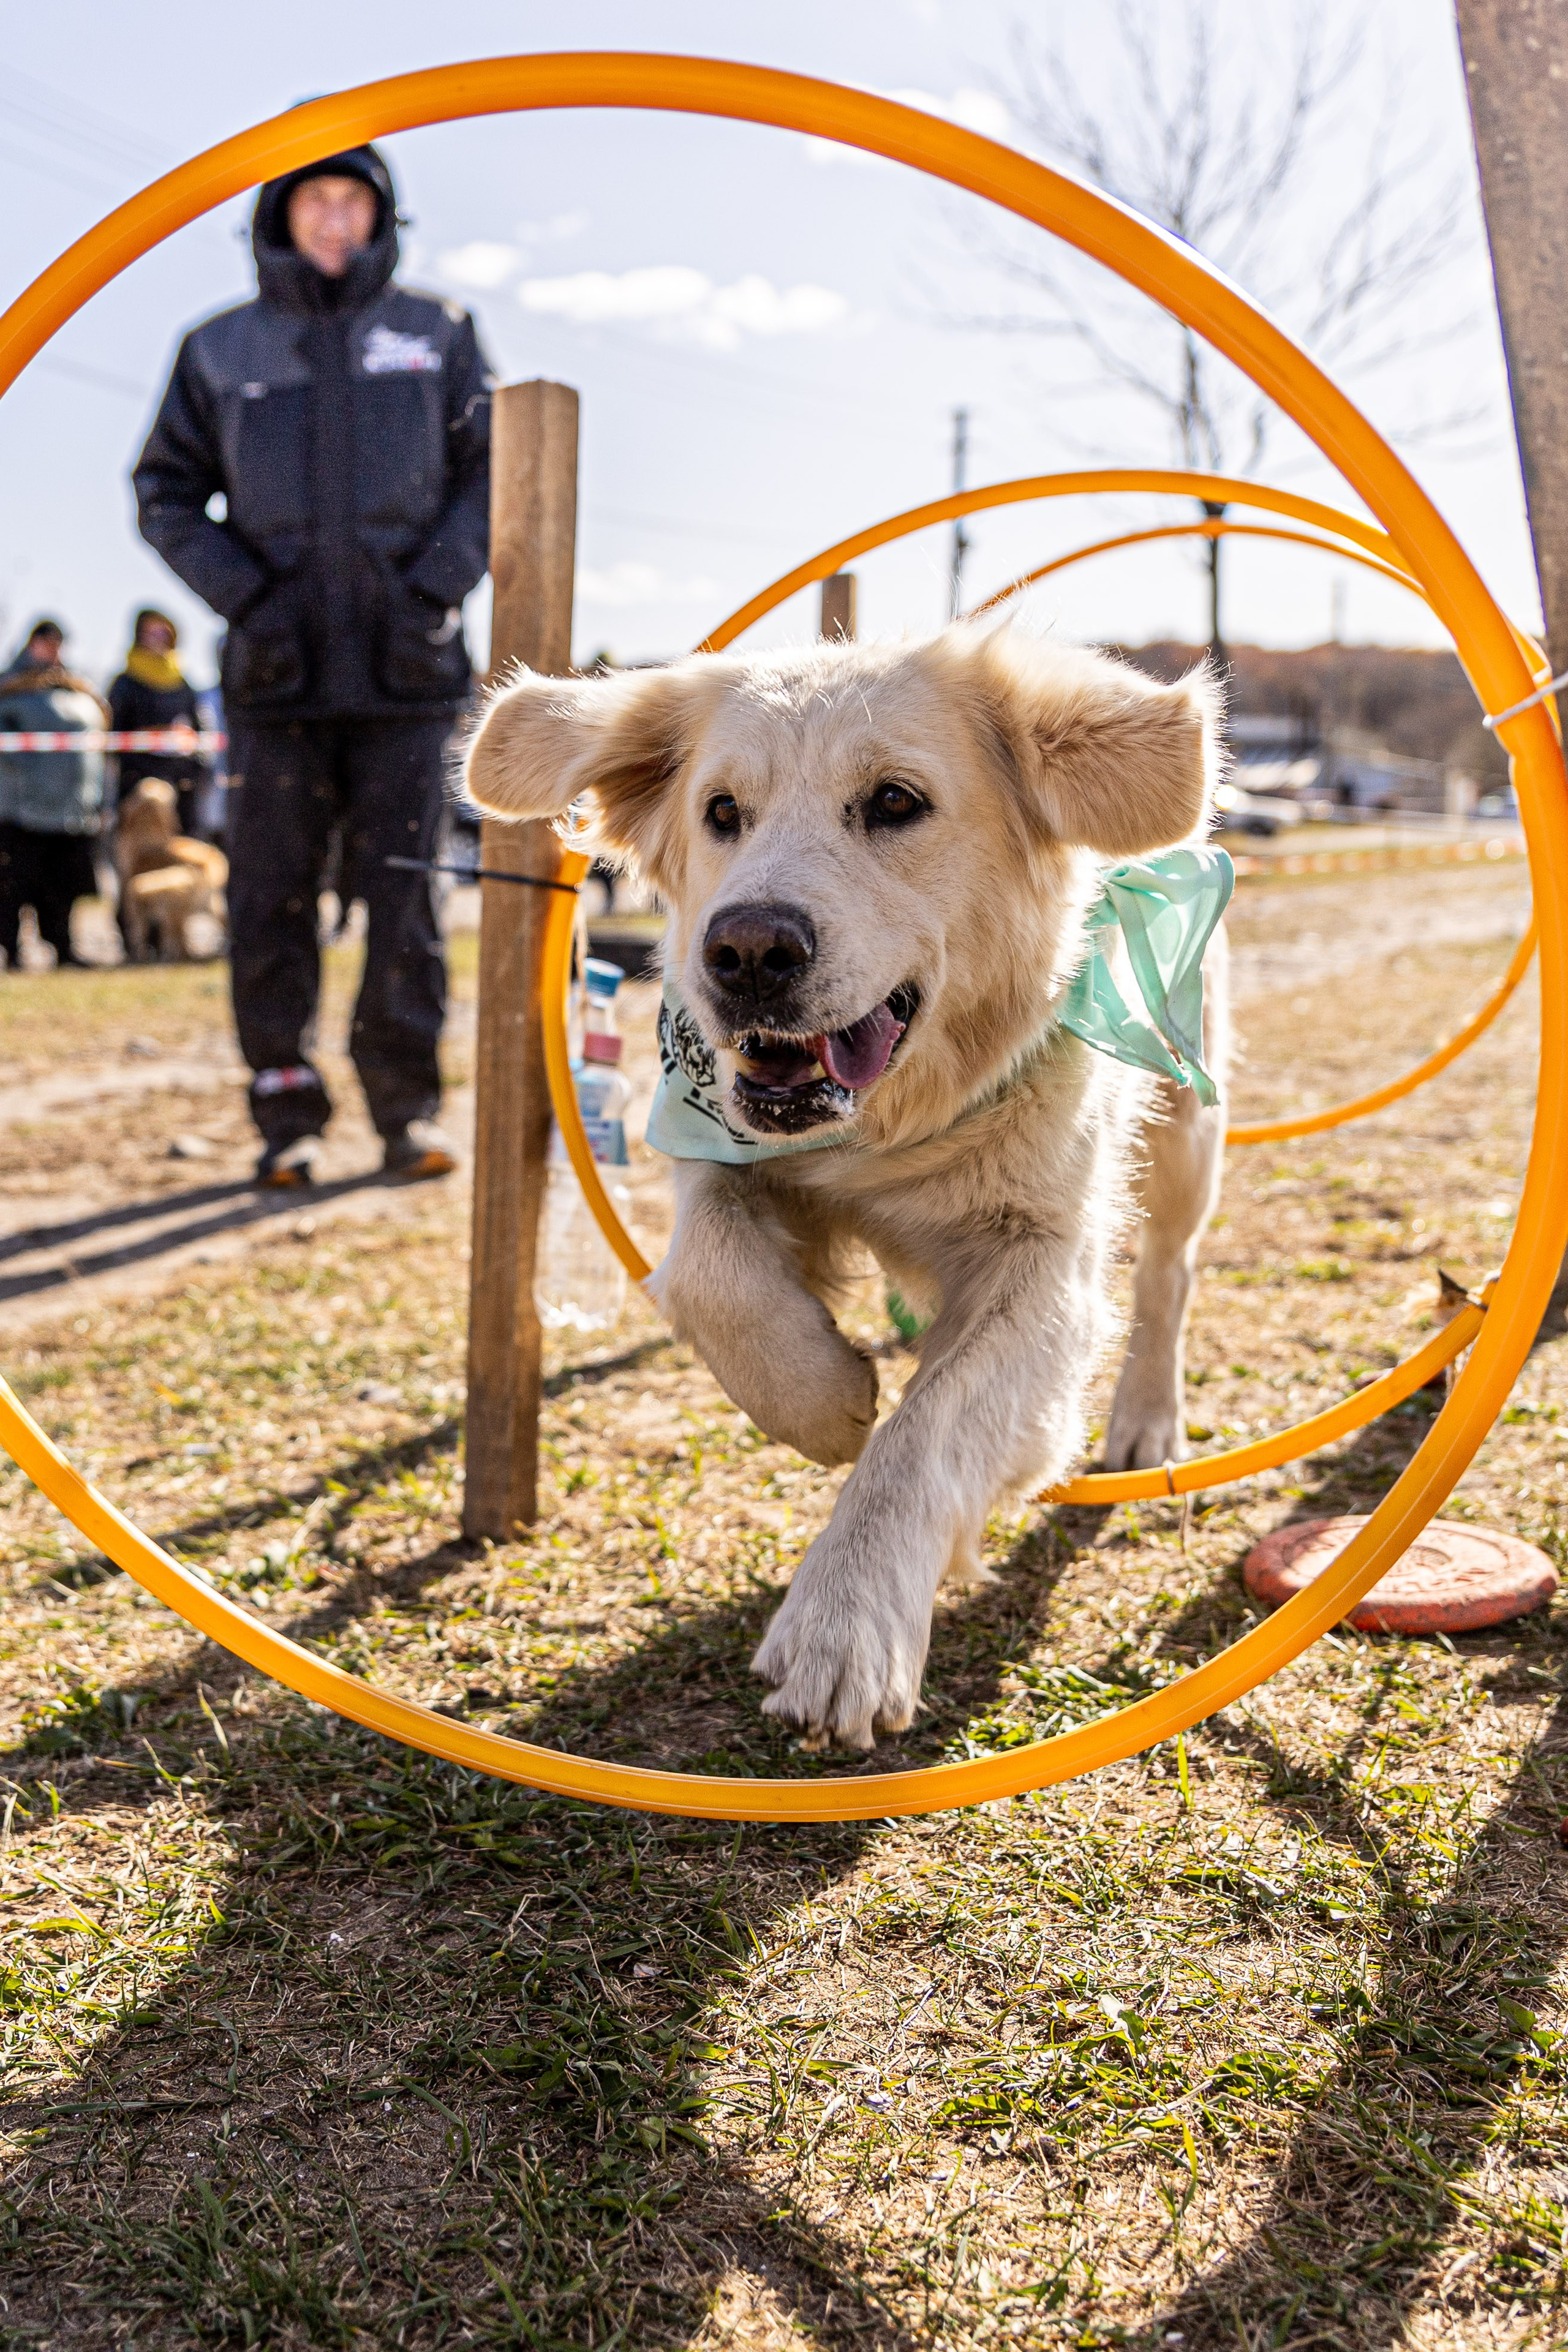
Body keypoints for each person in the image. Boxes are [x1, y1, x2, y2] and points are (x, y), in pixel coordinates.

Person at [132, 145, 494, 1185]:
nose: (333, 219)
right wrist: (248, 598)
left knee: (407, 900)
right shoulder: (218, 350)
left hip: (408, 680)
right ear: (279, 215)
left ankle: (404, 1113)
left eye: (352, 200)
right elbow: (163, 492)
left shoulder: (438, 335)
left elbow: (493, 470)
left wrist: (432, 586)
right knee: (269, 899)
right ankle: (285, 1107)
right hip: (277, 682)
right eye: (313, 200)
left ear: (381, 216)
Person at [0, 619, 105, 971]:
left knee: (63, 886)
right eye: (45, 642)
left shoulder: (76, 688)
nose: (52, 650)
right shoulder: (10, 689)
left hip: (70, 809)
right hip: (20, 808)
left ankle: (64, 947)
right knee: (15, 886)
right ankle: (12, 953)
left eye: (57, 643)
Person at [107, 608, 206, 839]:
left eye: (164, 633)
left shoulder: (183, 683)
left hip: (181, 786)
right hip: (139, 790)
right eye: (151, 633)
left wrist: (193, 769)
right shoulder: (125, 684)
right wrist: (150, 773)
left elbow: (200, 733)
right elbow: (116, 738)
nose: (158, 639)